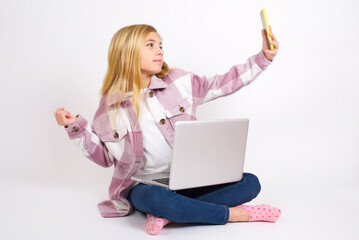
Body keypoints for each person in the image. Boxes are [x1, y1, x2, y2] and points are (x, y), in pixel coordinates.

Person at [54, 24, 280, 235]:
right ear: (126, 53)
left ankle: (169, 216)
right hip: (145, 185)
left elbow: (223, 83)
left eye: (160, 45)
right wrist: (73, 126)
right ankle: (232, 215)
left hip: (189, 180)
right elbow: (104, 158)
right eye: (150, 45)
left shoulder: (179, 82)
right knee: (155, 199)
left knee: (250, 183)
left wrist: (263, 59)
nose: (159, 50)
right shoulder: (110, 105)